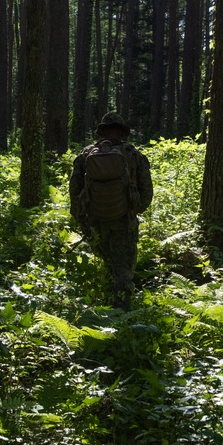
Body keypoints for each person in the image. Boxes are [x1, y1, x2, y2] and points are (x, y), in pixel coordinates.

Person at [69, 112, 153, 308]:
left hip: (95, 219)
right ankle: (122, 312)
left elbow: (74, 190)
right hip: (124, 221)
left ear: (102, 131)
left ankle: (103, 306)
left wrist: (81, 218)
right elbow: (146, 191)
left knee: (106, 261)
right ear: (122, 132)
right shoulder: (134, 155)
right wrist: (133, 209)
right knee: (123, 269)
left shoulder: (86, 154)